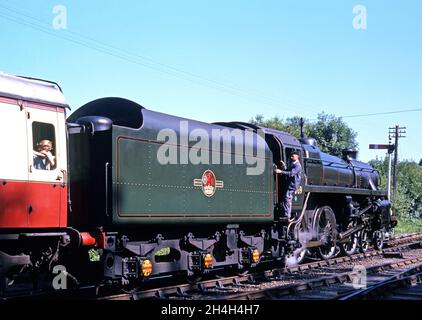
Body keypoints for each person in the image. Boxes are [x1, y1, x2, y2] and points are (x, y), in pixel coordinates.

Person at [275, 151, 302, 219]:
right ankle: (285, 214)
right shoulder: (293, 163)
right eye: (291, 156)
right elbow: (287, 170)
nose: (291, 157)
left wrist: (281, 171)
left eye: (293, 156)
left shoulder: (298, 165)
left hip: (293, 184)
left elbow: (291, 173)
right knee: (285, 198)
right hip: (289, 183)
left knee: (287, 198)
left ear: (297, 156)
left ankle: (287, 215)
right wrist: (284, 166)